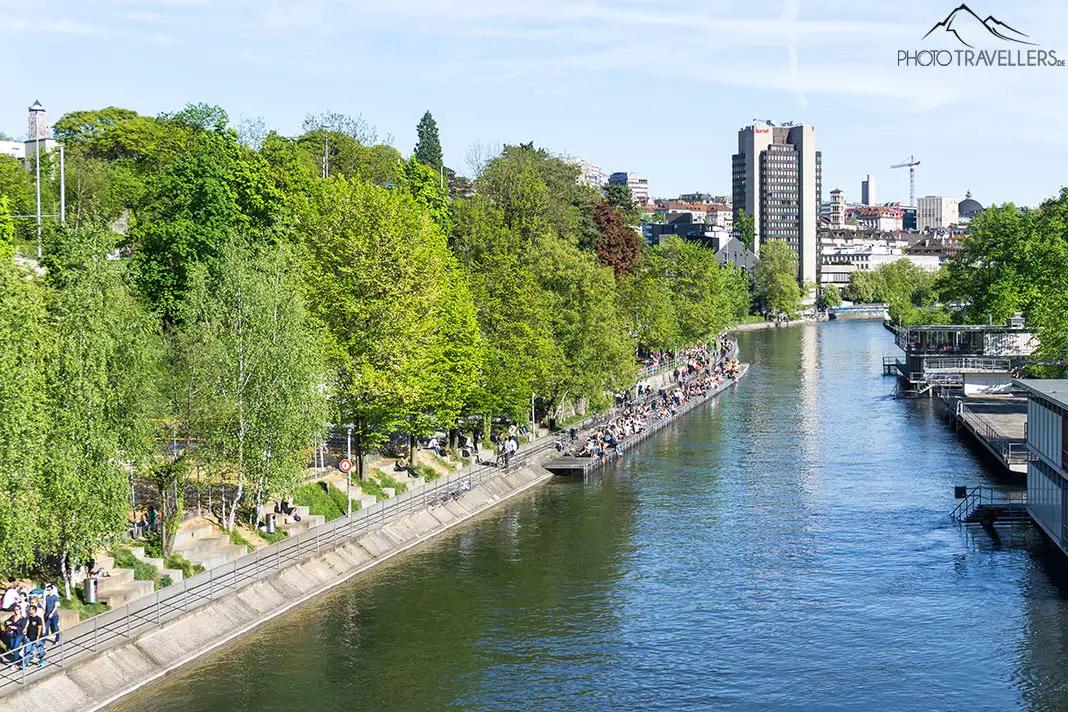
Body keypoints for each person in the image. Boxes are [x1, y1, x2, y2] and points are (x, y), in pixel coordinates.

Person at [21, 604, 44, 669]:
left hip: (37, 637)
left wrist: (37, 637)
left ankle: (42, 661)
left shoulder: (38, 619)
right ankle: (25, 664)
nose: (29, 611)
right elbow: (28, 623)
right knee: (27, 650)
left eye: (30, 610)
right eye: (29, 610)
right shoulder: (30, 617)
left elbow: (40, 628)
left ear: (34, 610)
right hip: (29, 637)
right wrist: (25, 629)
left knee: (40, 650)